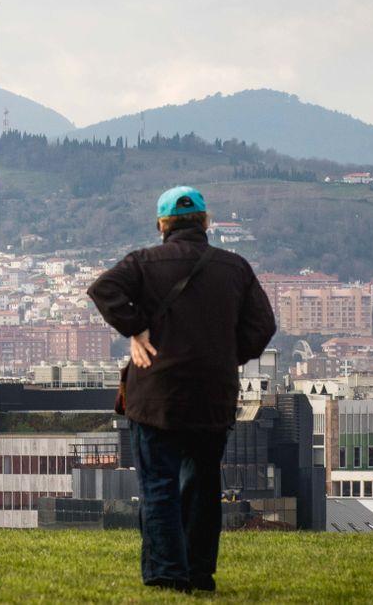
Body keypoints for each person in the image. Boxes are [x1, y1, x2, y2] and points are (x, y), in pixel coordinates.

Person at [87, 185, 275, 593]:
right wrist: (226, 355)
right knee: (203, 487)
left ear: (161, 225)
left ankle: (166, 575)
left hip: (155, 395)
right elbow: (263, 327)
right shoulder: (235, 268)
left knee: (159, 487)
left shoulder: (143, 262)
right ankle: (199, 574)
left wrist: (136, 328)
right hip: (213, 396)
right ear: (205, 222)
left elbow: (103, 289)